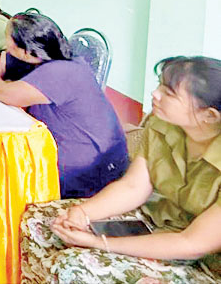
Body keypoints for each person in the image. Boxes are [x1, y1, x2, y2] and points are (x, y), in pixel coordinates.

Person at [19, 56, 221, 283]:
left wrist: (99, 243)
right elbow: (133, 186)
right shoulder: (162, 124)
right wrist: (82, 213)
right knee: (39, 221)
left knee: (73, 265)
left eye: (169, 93)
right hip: (154, 221)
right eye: (160, 85)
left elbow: (191, 244)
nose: (155, 94)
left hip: (202, 261)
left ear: (209, 115)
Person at [0, 13, 129, 198]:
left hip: (91, 171)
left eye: (8, 40)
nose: (6, 46)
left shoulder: (63, 69)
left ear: (26, 50)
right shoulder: (33, 57)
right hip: (65, 153)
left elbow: (7, 95)